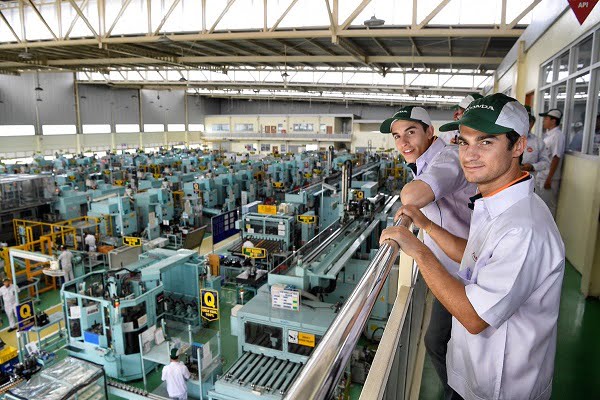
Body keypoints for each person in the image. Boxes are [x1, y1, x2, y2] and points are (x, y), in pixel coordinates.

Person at [381, 93, 564, 400]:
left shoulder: (523, 229)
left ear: (518, 146)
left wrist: (420, 251)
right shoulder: (497, 205)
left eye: (486, 142)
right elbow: (474, 254)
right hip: (476, 375)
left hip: (501, 388)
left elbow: (474, 317)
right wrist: (426, 226)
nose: (469, 154)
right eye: (464, 142)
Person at [380, 106, 475, 400]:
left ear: (430, 132)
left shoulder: (447, 159)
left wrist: (408, 201)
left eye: (411, 132)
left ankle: (459, 394)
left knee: (441, 341)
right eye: (397, 136)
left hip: (466, 274)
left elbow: (412, 196)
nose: (403, 143)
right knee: (440, 342)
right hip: (451, 270)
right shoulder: (425, 162)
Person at [537, 108, 565, 217]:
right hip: (542, 175)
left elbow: (556, 157)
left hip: (549, 178)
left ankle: (547, 233)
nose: (544, 121)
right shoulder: (548, 135)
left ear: (553, 121)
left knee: (548, 207)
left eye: (546, 118)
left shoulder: (557, 136)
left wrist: (549, 178)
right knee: (541, 206)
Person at [521, 106, 549, 177]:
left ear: (533, 123)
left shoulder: (538, 142)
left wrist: (532, 166)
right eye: (523, 120)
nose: (526, 124)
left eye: (529, 121)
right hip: (509, 183)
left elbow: (546, 163)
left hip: (529, 183)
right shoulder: (507, 139)